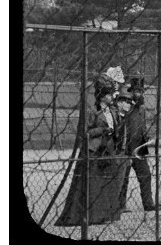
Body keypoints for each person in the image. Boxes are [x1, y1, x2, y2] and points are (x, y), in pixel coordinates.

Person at [56, 72, 127, 227]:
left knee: (108, 184)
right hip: (94, 151)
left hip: (108, 151)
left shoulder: (112, 111)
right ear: (102, 96)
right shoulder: (92, 111)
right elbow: (85, 133)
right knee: (92, 185)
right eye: (109, 95)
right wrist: (101, 131)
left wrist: (118, 126)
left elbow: (117, 129)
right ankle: (88, 216)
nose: (111, 97)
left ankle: (105, 215)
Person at [117, 77, 155, 212]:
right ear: (132, 91)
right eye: (137, 91)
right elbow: (120, 124)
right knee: (123, 178)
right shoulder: (125, 105)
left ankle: (148, 204)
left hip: (139, 148)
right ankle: (120, 205)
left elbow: (142, 125)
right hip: (126, 147)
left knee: (146, 175)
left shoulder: (142, 108)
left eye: (141, 91)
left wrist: (146, 138)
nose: (139, 93)